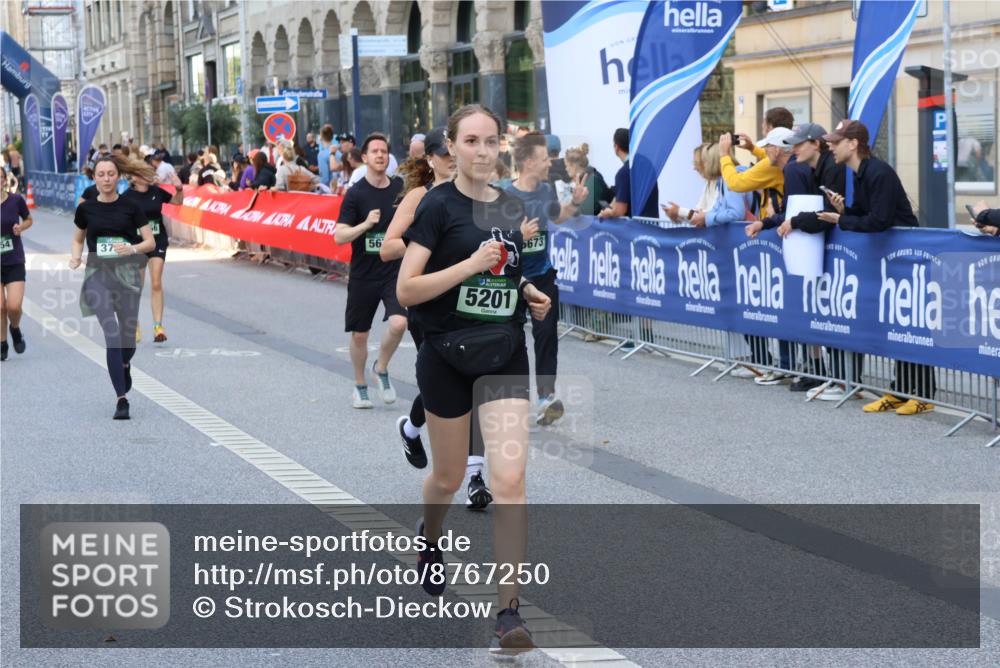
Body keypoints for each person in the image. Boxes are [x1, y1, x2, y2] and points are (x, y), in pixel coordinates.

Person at [397, 104, 550, 654]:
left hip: (504, 352)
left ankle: (507, 611)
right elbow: (407, 291)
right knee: (448, 477)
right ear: (453, 147)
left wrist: (528, 294)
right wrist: (468, 266)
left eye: (491, 142)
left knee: (509, 479)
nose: (482, 152)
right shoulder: (436, 205)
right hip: (444, 354)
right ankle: (430, 539)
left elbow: (505, 273)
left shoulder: (511, 207)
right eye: (471, 141)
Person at [817, 120, 936, 416]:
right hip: (890, 257)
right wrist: (845, 210)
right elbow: (866, 214)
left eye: (836, 141)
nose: (830, 146)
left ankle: (923, 393)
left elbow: (880, 220)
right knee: (895, 323)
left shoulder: (878, 172)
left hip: (908, 257)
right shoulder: (860, 173)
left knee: (911, 323)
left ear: (853, 143)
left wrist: (840, 220)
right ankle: (899, 389)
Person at [381, 127, 455, 471]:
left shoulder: (480, 196)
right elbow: (387, 247)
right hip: (426, 299)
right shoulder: (419, 197)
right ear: (430, 159)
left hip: (467, 299)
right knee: (442, 380)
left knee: (472, 378)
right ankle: (411, 429)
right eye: (444, 153)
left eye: (457, 149)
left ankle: (475, 476)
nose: (453, 158)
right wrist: (427, 242)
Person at [507, 131, 589, 427]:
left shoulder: (546, 191)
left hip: (542, 277)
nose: (549, 163)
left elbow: (558, 217)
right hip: (513, 280)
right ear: (529, 161)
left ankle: (545, 398)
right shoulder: (503, 193)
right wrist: (519, 237)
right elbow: (491, 240)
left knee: (545, 336)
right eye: (544, 158)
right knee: (511, 339)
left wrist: (575, 203)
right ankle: (510, 398)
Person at [772, 123, 855, 397]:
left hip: (845, 245)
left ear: (815, 144)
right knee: (827, 312)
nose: (793, 149)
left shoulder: (832, 167)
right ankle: (838, 378)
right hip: (826, 245)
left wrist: (794, 221)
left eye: (798, 144)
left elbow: (827, 214)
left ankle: (846, 381)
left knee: (842, 314)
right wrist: (770, 222)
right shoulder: (819, 167)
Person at [70, 156, 156, 419]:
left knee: (127, 339)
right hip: (97, 273)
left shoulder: (131, 206)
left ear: (118, 176)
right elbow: (77, 238)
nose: (106, 179)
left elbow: (150, 242)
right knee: (111, 333)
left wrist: (131, 247)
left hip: (127, 273)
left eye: (110, 174)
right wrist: (75, 256)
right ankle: (121, 399)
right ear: (93, 178)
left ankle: (125, 362)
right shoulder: (86, 209)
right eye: (101, 174)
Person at [333, 133, 407, 409]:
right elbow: (340, 236)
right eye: (374, 151)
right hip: (364, 272)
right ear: (363, 158)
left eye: (384, 151)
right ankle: (360, 384)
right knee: (360, 334)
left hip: (393, 271)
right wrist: (365, 225)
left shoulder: (400, 188)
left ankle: (382, 367)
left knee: (400, 323)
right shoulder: (356, 194)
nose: (380, 155)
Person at [124, 157, 184, 344]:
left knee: (156, 282)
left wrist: (179, 188)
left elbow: (177, 202)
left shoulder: (156, 192)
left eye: (148, 172)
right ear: (133, 178)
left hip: (157, 240)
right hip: (138, 243)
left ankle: (158, 326)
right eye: (142, 173)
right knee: (137, 286)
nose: (147, 176)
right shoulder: (126, 197)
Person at [721, 107, 795, 218]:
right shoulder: (789, 153)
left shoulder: (771, 165)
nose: (762, 129)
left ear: (769, 127)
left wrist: (724, 155)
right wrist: (752, 148)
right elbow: (776, 154)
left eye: (763, 125)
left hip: (773, 225)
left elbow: (735, 183)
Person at [663, 142, 751, 227]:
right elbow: (706, 215)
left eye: (701, 162)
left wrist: (680, 212)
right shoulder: (717, 183)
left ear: (713, 162)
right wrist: (680, 215)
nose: (695, 167)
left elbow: (735, 213)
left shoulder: (729, 178)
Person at [1, 165, 32, 361]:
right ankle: (2, 343)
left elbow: (29, 219)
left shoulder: (16, 200)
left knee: (13, 306)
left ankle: (15, 328)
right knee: (0, 307)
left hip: (14, 260)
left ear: (4, 179)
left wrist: (21, 228)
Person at [598, 127, 659, 218]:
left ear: (616, 147)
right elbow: (621, 197)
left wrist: (607, 213)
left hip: (636, 229)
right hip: (652, 228)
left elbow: (620, 210)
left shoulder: (623, 173)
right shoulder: (647, 165)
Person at [562, 144, 613, 216]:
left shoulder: (593, 181)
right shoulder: (587, 178)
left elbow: (585, 211)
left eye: (566, 166)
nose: (566, 169)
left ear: (574, 165)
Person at [318, 124, 335, 189]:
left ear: (321, 137)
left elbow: (324, 179)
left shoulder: (322, 154)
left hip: (328, 191)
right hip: (338, 189)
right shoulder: (339, 153)